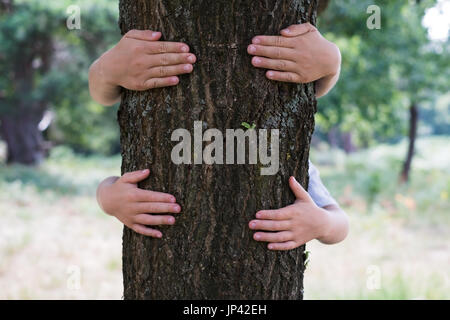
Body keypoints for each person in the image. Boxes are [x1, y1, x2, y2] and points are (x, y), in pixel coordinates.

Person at [90, 23, 349, 250]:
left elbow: (339, 222)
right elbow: (112, 183)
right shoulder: (163, 144)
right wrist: (110, 200)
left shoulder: (282, 155)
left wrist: (321, 224)